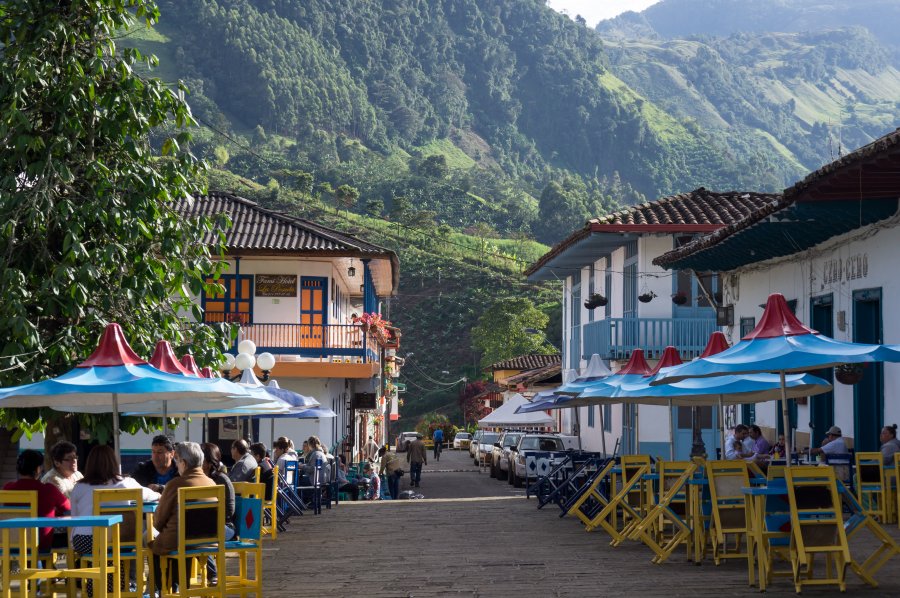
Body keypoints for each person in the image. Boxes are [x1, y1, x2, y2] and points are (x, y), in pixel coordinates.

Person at [70, 445, 159, 595]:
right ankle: (119, 588)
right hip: (120, 542)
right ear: (113, 462)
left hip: (85, 541)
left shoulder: (79, 487)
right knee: (113, 548)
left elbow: (75, 518)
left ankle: (100, 589)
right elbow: (153, 496)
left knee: (104, 550)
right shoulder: (126, 483)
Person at [150, 442, 217, 592]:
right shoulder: (212, 483)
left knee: (153, 542)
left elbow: (158, 522)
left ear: (184, 463)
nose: (176, 465)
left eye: (177, 461)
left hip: (178, 540)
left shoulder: (175, 484)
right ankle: (179, 587)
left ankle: (163, 589)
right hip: (208, 540)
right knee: (181, 538)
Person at [4, 449, 70, 551]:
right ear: (38, 469)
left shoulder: (7, 489)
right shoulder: (48, 489)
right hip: (40, 546)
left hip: (9, 544)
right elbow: (68, 508)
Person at [201, 443, 235, 587]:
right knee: (189, 534)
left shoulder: (221, 480)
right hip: (202, 526)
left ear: (209, 463)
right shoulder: (198, 479)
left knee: (200, 535)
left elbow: (230, 511)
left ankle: (213, 573)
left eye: (200, 460)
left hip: (225, 526)